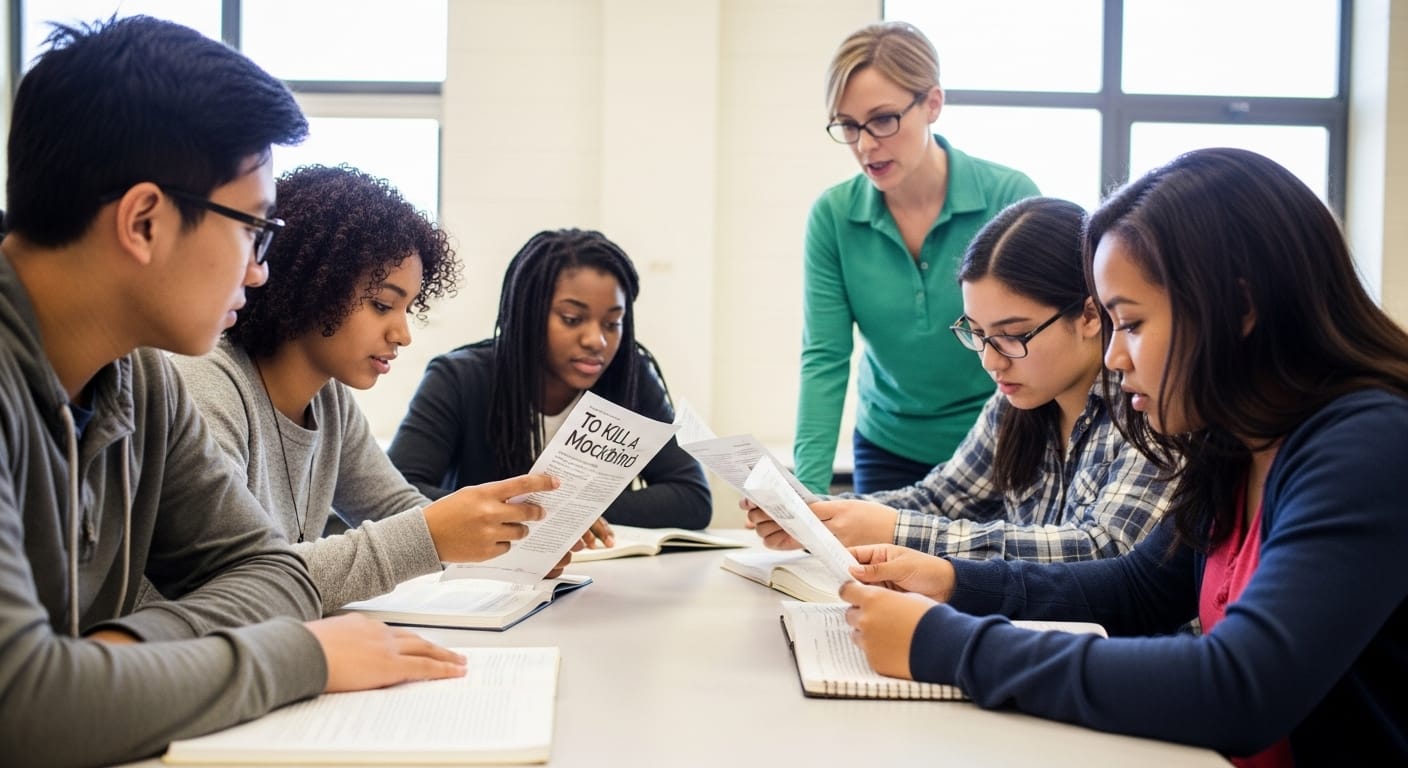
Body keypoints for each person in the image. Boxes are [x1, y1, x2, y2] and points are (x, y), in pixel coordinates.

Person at [0, 18, 479, 768]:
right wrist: (307, 658)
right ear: (145, 221)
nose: (260, 271)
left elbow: (277, 574)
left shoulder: (141, 377)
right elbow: (25, 709)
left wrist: (118, 651)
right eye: (253, 231)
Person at [840, 148, 1408, 765]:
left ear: (1241, 307)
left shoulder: (1367, 446)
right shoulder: (1237, 442)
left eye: (1130, 324)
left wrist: (947, 645)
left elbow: (1239, 687)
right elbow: (1137, 588)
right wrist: (952, 581)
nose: (1114, 357)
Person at [171, 164, 564, 612]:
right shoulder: (206, 386)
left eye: (408, 309)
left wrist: (509, 542)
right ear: (312, 285)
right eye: (382, 305)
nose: (402, 333)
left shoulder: (329, 399)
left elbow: (395, 507)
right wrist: (431, 537)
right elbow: (239, 583)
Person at [750, 197, 1172, 561]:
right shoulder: (1013, 404)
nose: (991, 360)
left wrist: (893, 531)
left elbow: (1102, 550)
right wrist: (820, 515)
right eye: (977, 333)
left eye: (1011, 335)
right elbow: (942, 498)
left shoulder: (1146, 404)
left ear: (1089, 315)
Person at [794, 20, 1040, 495]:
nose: (865, 145)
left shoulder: (1009, 196)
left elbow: (1039, 342)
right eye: (848, 126)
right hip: (889, 444)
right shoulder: (833, 217)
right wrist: (805, 495)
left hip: (1003, 437)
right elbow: (824, 358)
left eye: (883, 119)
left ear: (932, 103)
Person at [390, 228, 712, 536]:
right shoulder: (458, 378)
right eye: (572, 319)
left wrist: (570, 511)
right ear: (528, 315)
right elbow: (396, 496)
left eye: (613, 323)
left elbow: (692, 498)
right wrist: (538, 512)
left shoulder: (630, 375)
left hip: (601, 578)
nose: (596, 340)